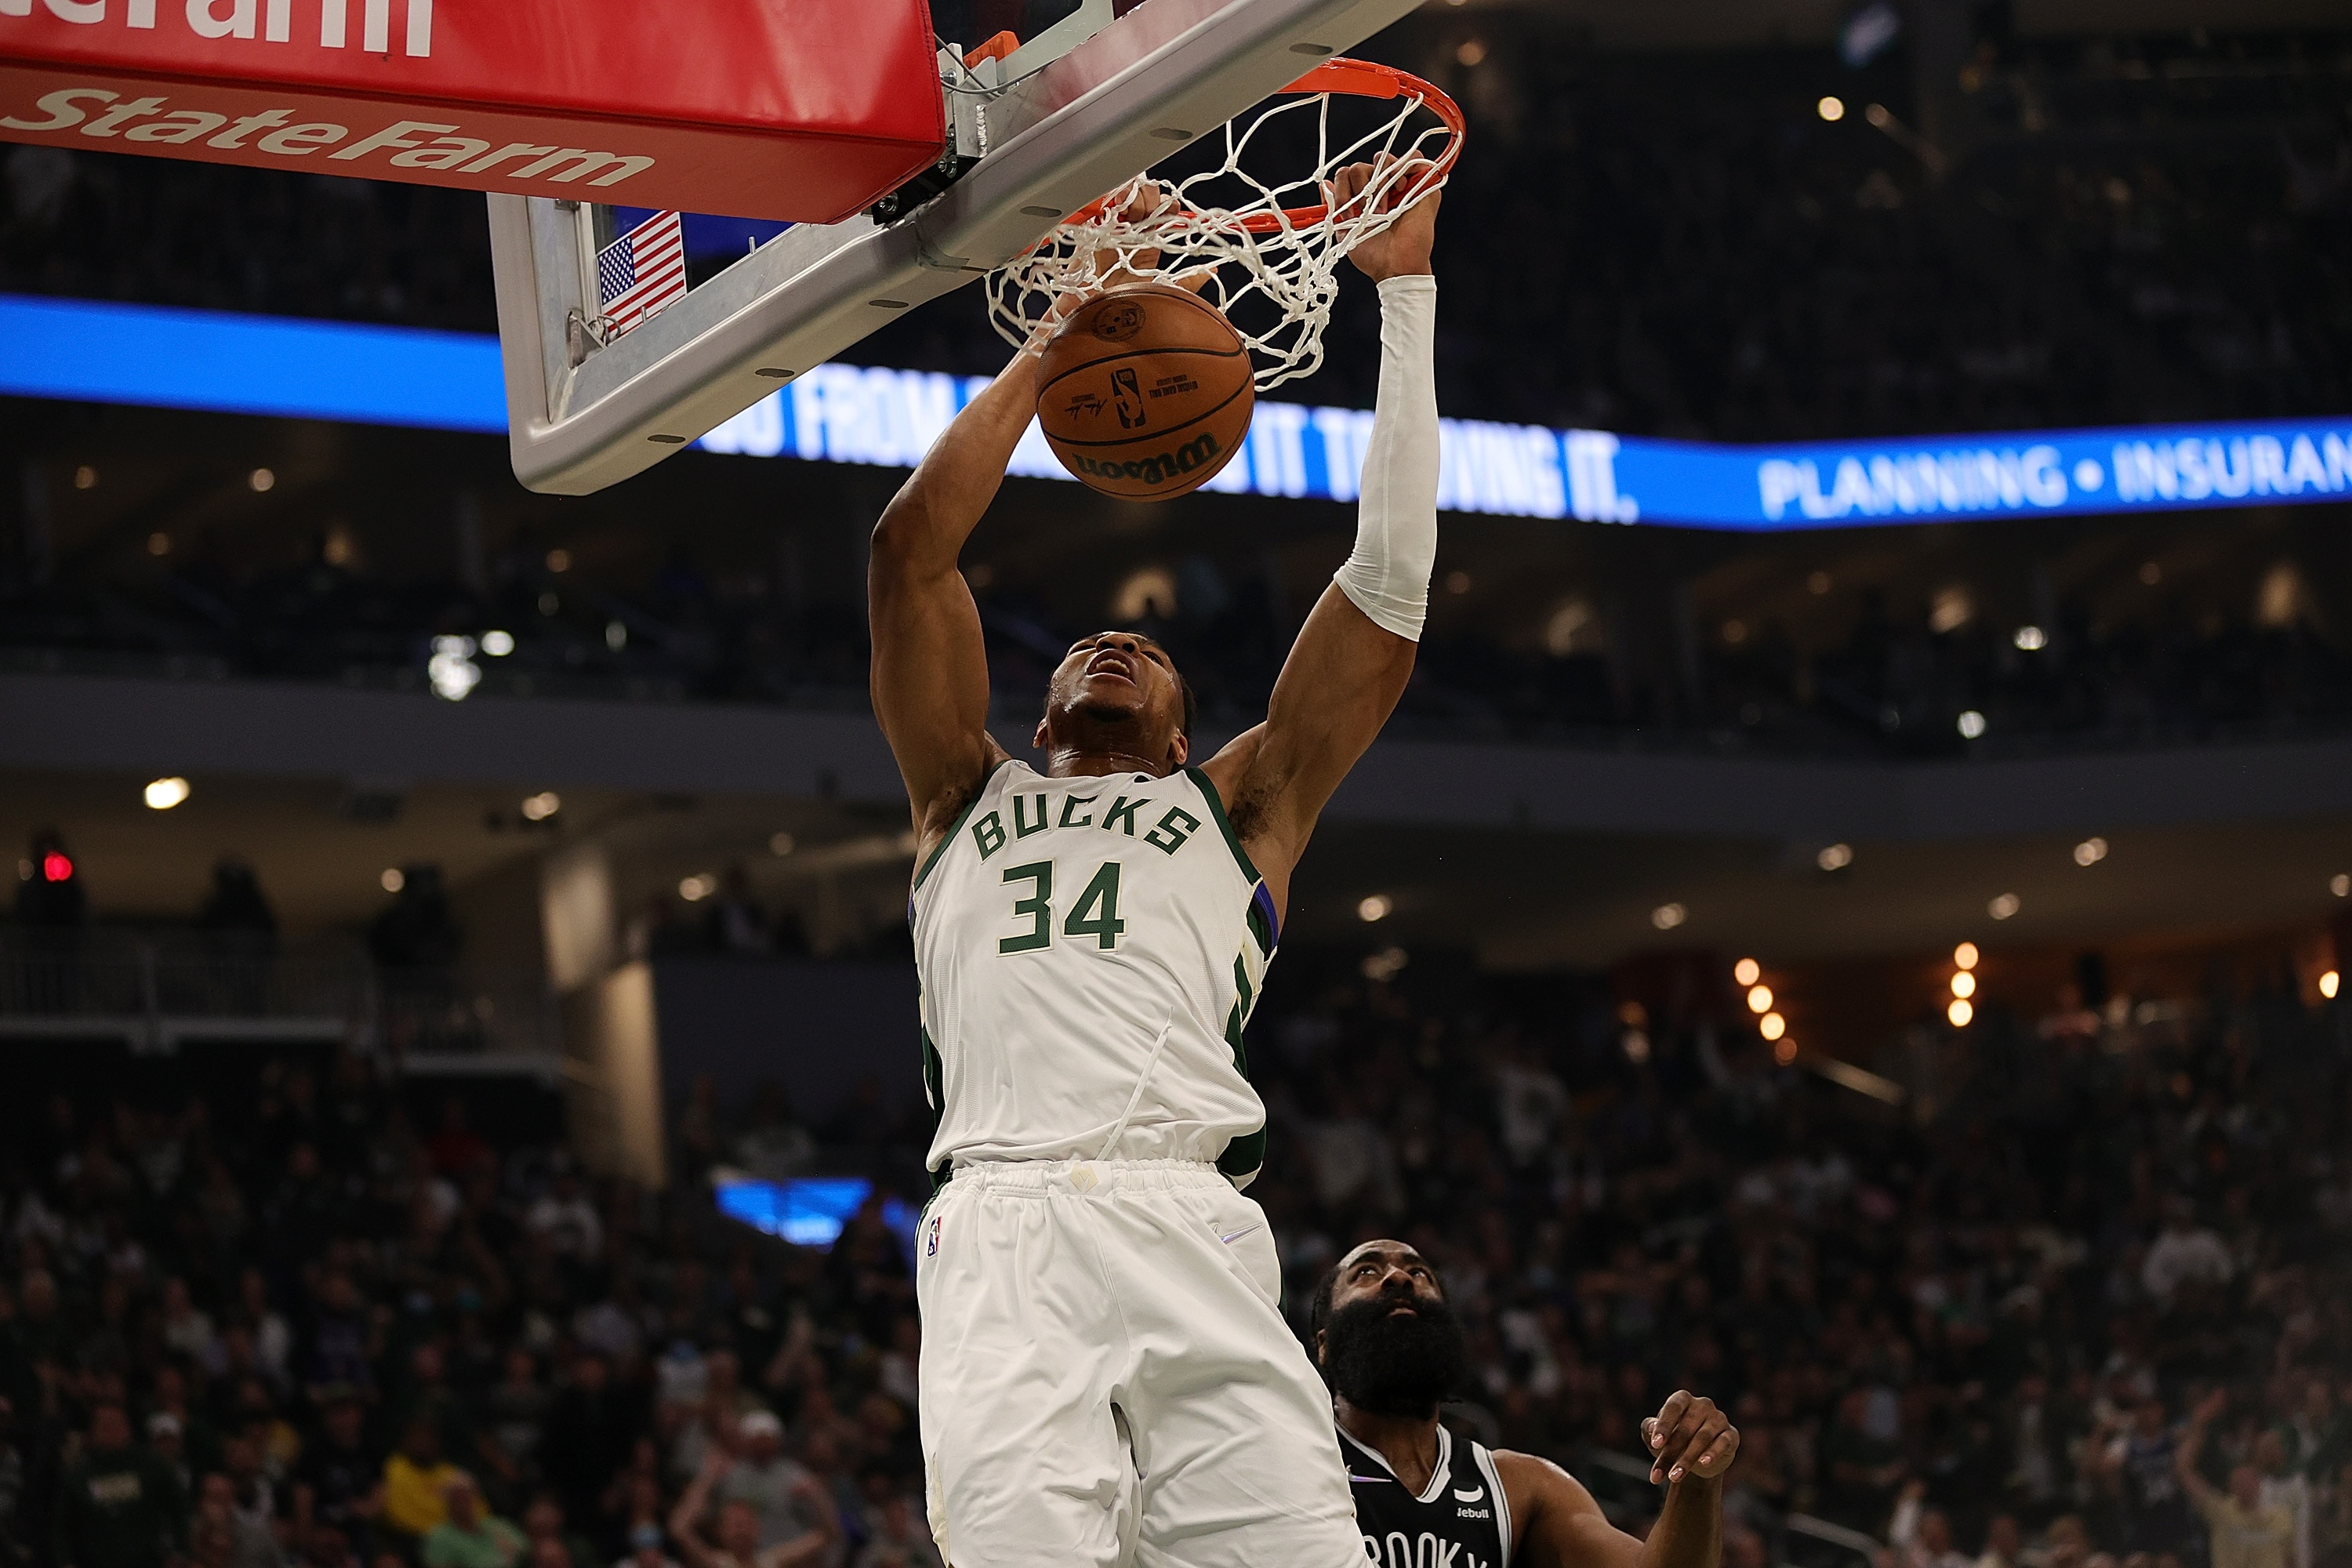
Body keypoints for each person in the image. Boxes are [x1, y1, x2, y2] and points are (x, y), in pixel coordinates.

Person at [868, 156, 1445, 1567]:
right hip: (1005, 1220)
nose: (1113, 645)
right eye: (1083, 647)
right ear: (1043, 704)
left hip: (1192, 1217)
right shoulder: (959, 790)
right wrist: (1049, 351)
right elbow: (908, 558)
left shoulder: (1242, 806)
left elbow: (1388, 593)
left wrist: (1409, 300)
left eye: (1148, 652)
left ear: (1190, 725)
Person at [1312, 1240, 1738, 1568]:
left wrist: (1698, 1480)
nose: (1400, 1279)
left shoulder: (1522, 1486)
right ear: (1324, 1344)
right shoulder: (1295, 1458)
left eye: (1419, 1273)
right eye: (1366, 1271)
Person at [53, 1404, 187, 1568]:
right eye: (105, 1427)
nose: (112, 1432)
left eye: (117, 1425)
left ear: (128, 1429)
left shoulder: (151, 1465)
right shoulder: (79, 1476)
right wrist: (66, 1562)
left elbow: (179, 1510)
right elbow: (62, 1527)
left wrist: (180, 1552)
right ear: (92, 1433)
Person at [2178, 1394, 2295, 1568]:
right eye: (2238, 1481)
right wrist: (2199, 1423)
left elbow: (2292, 1562)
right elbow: (2184, 1470)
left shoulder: (2281, 1517)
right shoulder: (2220, 1512)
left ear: (2258, 1482)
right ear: (2232, 1487)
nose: (2244, 1484)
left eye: (2248, 1478)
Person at [420, 1474, 526, 1568]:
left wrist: (512, 1550)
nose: (462, 1503)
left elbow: (527, 1550)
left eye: (466, 1496)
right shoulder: (440, 1537)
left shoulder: (498, 1525)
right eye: (457, 1498)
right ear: (447, 1503)